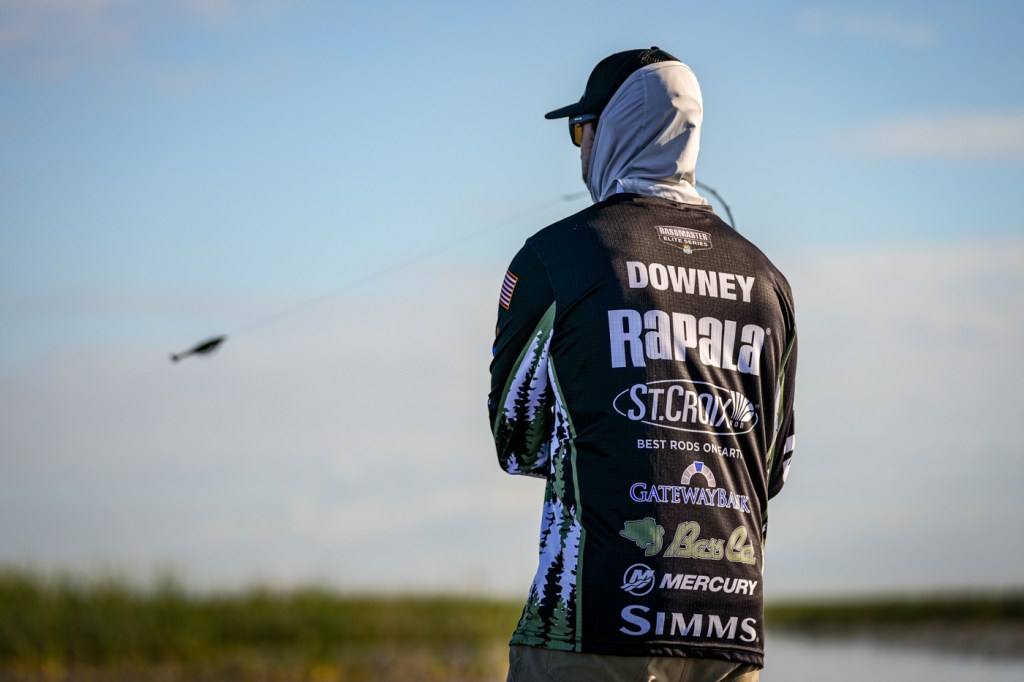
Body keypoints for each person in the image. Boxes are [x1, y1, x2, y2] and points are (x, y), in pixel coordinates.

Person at [488, 47, 797, 681]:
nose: (579, 151)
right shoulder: (769, 281)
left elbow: (517, 443)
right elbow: (772, 468)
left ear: (612, 130)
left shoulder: (554, 259)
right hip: (731, 631)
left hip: (591, 624)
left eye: (581, 131)